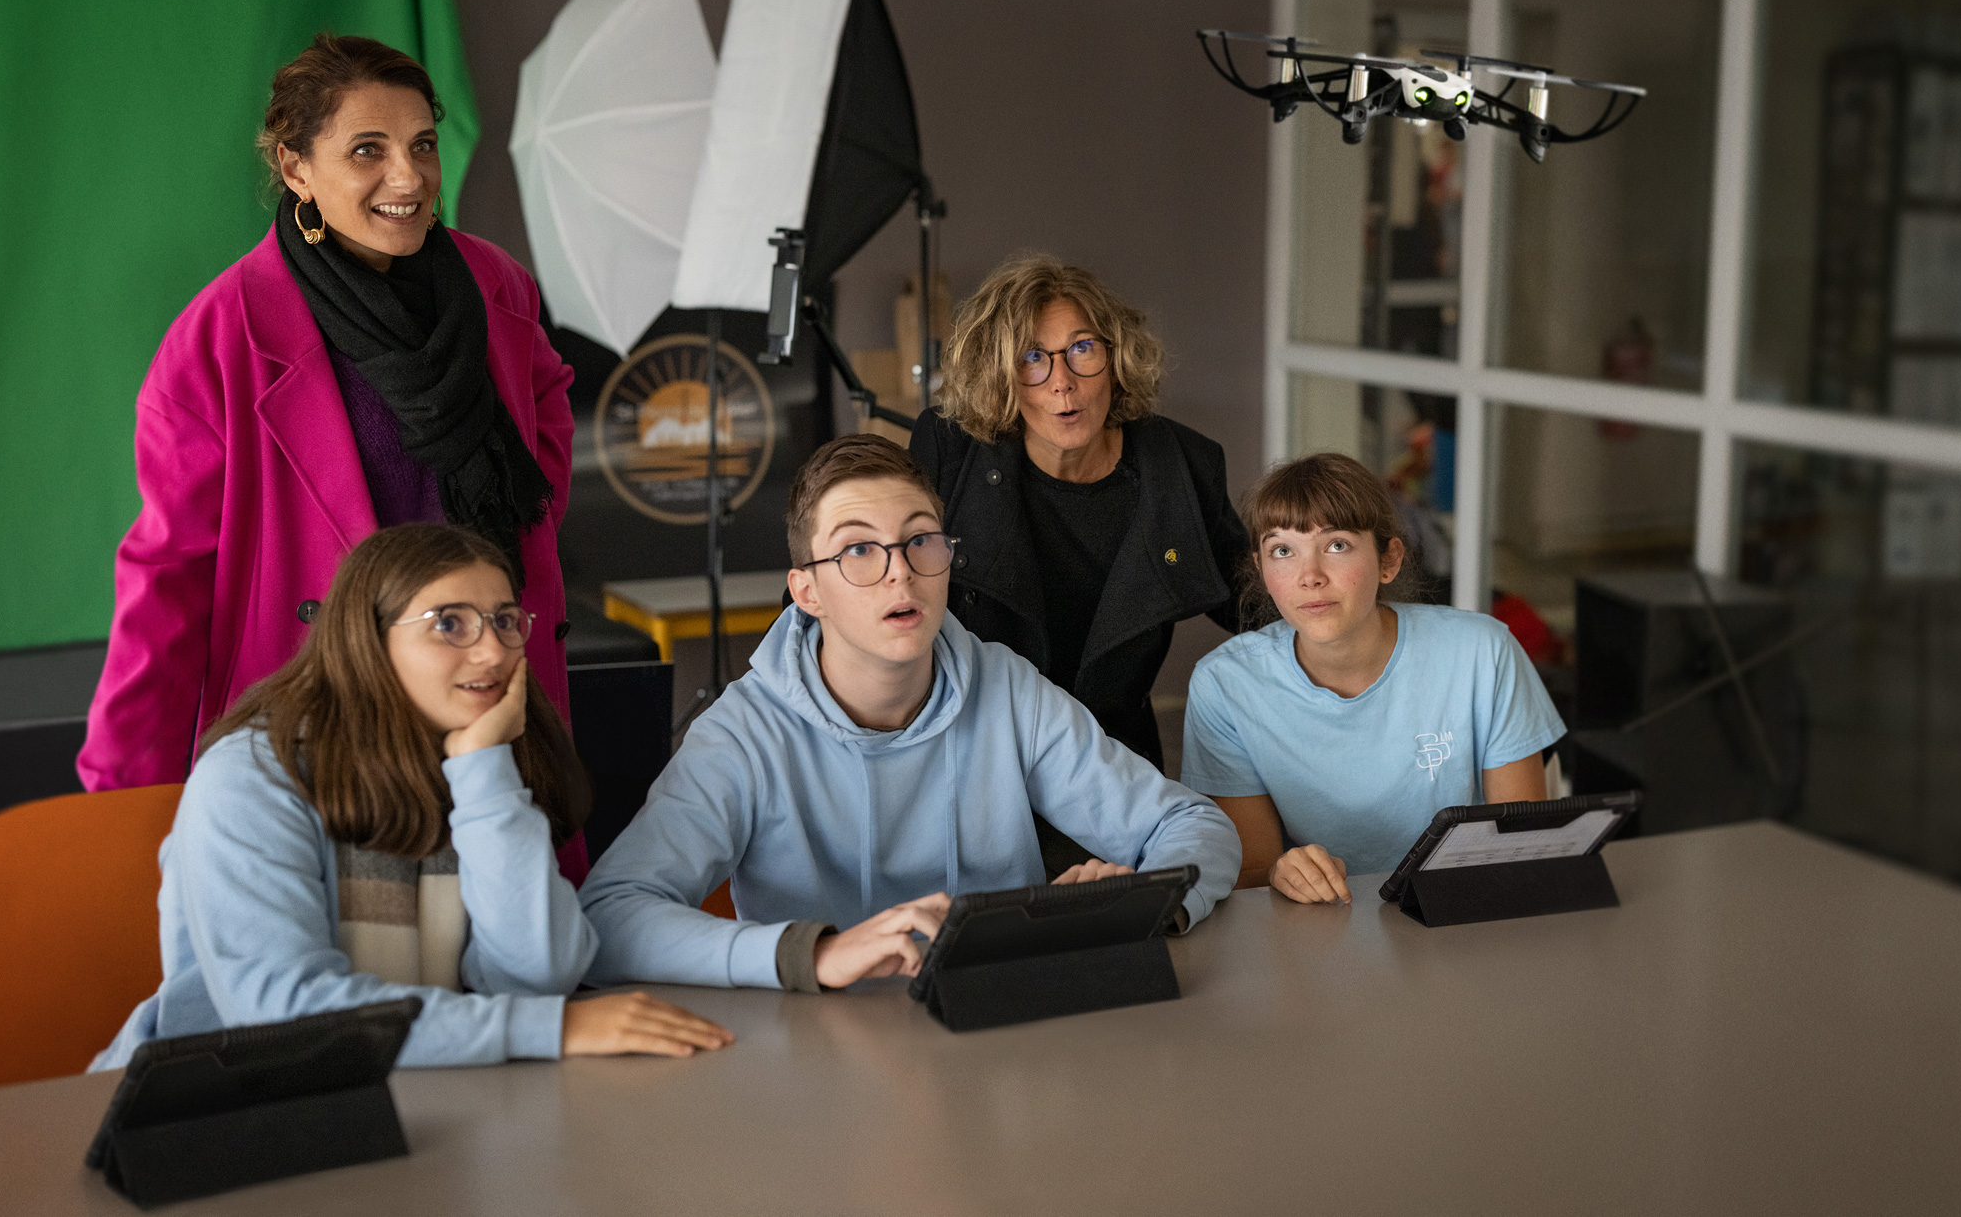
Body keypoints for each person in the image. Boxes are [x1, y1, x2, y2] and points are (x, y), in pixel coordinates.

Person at [80, 34, 584, 878]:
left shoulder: (497, 288)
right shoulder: (220, 336)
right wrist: (125, 807)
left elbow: (544, 456)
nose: (408, 177)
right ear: (296, 166)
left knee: (518, 940)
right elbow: (166, 585)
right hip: (326, 727)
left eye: (423, 145)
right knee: (350, 953)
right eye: (367, 151)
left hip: (489, 709)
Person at [578, 437, 1241, 992]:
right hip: (819, 1052)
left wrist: (1135, 906)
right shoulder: (741, 734)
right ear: (806, 591)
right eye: (858, 549)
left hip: (998, 1038)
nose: (900, 572)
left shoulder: (1007, 689)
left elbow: (1193, 824)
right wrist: (814, 954)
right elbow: (608, 916)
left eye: (920, 539)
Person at [93, 525, 730, 1069]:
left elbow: (538, 974)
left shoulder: (472, 760)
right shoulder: (252, 776)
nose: (493, 650)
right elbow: (284, 1017)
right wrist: (546, 1030)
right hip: (218, 1113)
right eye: (450, 624)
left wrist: (484, 771)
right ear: (369, 640)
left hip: (418, 1100)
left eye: (505, 620)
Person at [908, 256, 1248, 871]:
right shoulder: (952, 451)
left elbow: (1256, 603)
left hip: (1109, 769)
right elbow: (874, 573)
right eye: (1032, 358)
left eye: (1082, 349)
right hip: (975, 756)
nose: (1061, 382)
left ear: (1116, 358)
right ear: (1000, 376)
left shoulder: (1179, 464)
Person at [1179, 453, 1565, 903]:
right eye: (1282, 551)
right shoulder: (1224, 684)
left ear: (1389, 560)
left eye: (1337, 545)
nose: (1310, 576)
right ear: (1262, 570)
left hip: (1463, 908)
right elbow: (1253, 876)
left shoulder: (1484, 651)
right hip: (1317, 922)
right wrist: (1280, 872)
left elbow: (1521, 847)